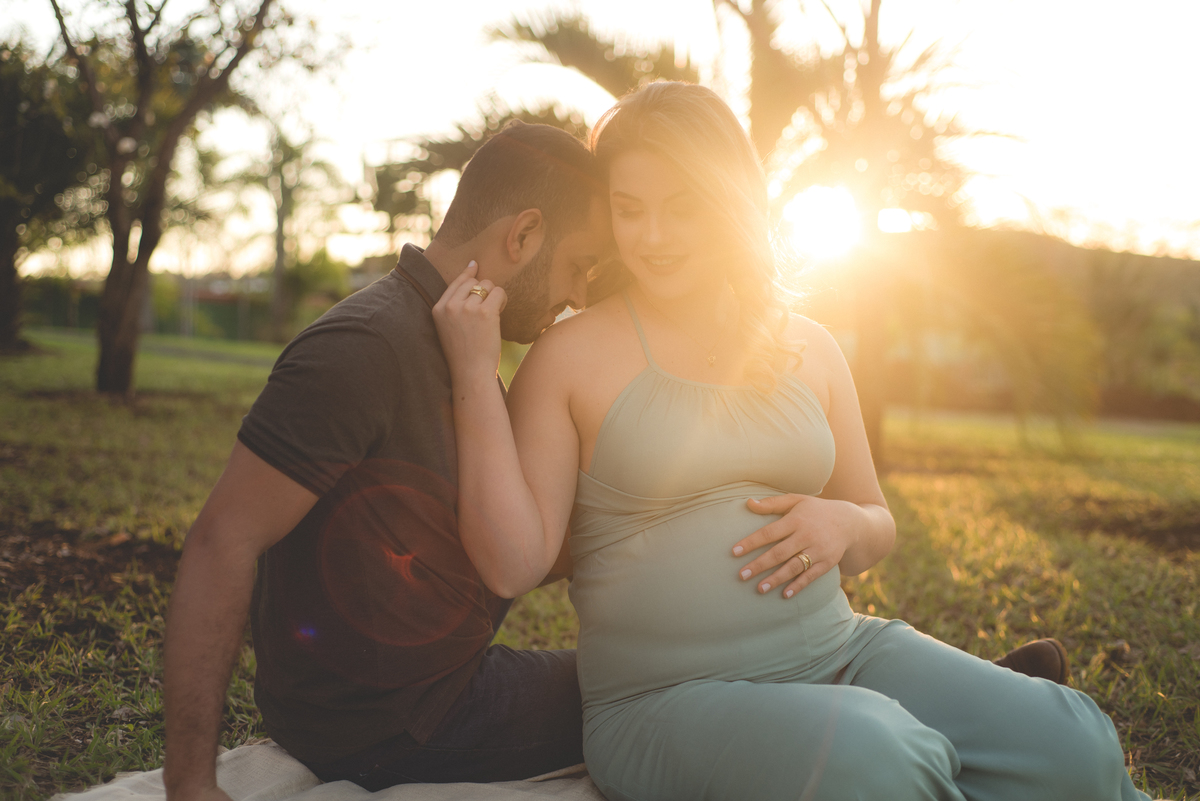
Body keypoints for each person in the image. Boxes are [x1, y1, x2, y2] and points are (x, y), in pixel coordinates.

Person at [432, 82, 1149, 801]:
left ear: (731, 202)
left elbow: (877, 520)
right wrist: (473, 368)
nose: (652, 235)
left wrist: (844, 523)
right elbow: (511, 559)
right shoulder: (571, 356)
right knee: (880, 757)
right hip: (664, 700)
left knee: (1073, 740)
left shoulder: (812, 347)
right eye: (630, 209)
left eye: (681, 206)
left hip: (841, 650)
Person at [161, 121, 612, 800]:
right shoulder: (365, 345)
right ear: (523, 235)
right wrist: (191, 785)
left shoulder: (456, 341)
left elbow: (454, 540)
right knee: (647, 695)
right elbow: (221, 541)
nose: (577, 295)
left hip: (417, 691)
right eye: (580, 266)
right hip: (392, 724)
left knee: (639, 673)